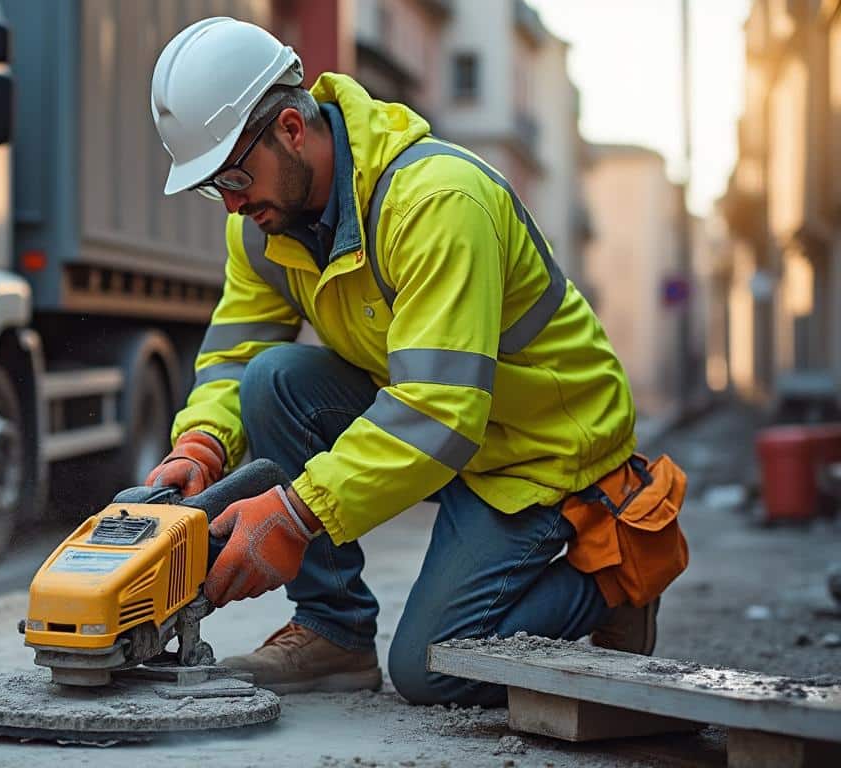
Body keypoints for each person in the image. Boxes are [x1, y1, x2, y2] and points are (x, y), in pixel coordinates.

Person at [145, 17, 680, 707]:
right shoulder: (260, 229)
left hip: (540, 448)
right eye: (213, 185)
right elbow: (234, 355)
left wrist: (296, 513)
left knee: (433, 670)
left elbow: (438, 408)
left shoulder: (436, 202)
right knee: (273, 379)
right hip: (447, 428)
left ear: (290, 128)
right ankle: (334, 634)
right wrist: (201, 445)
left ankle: (614, 582)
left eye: (237, 176)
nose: (233, 201)